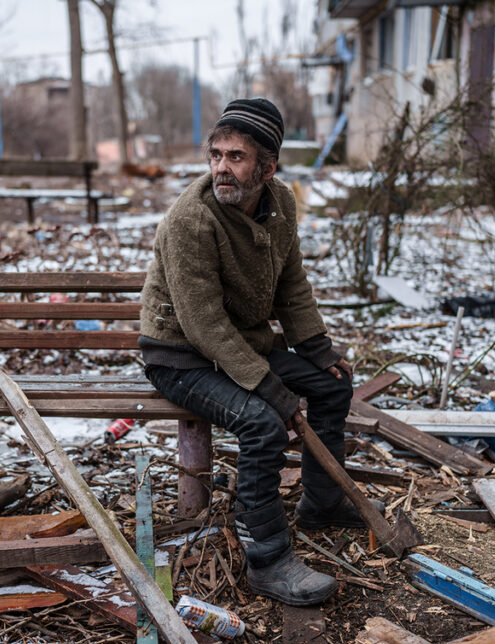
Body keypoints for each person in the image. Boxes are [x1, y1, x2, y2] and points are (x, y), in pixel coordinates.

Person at [139, 98, 367, 606]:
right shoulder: (191, 220)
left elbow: (291, 282)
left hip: (240, 345)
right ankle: (266, 560)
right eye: (215, 154)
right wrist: (269, 388)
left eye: (236, 157)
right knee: (263, 422)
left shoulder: (281, 203)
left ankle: (322, 504)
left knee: (332, 384)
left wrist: (316, 348)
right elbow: (202, 324)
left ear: (267, 167)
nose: (221, 167)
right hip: (180, 356)